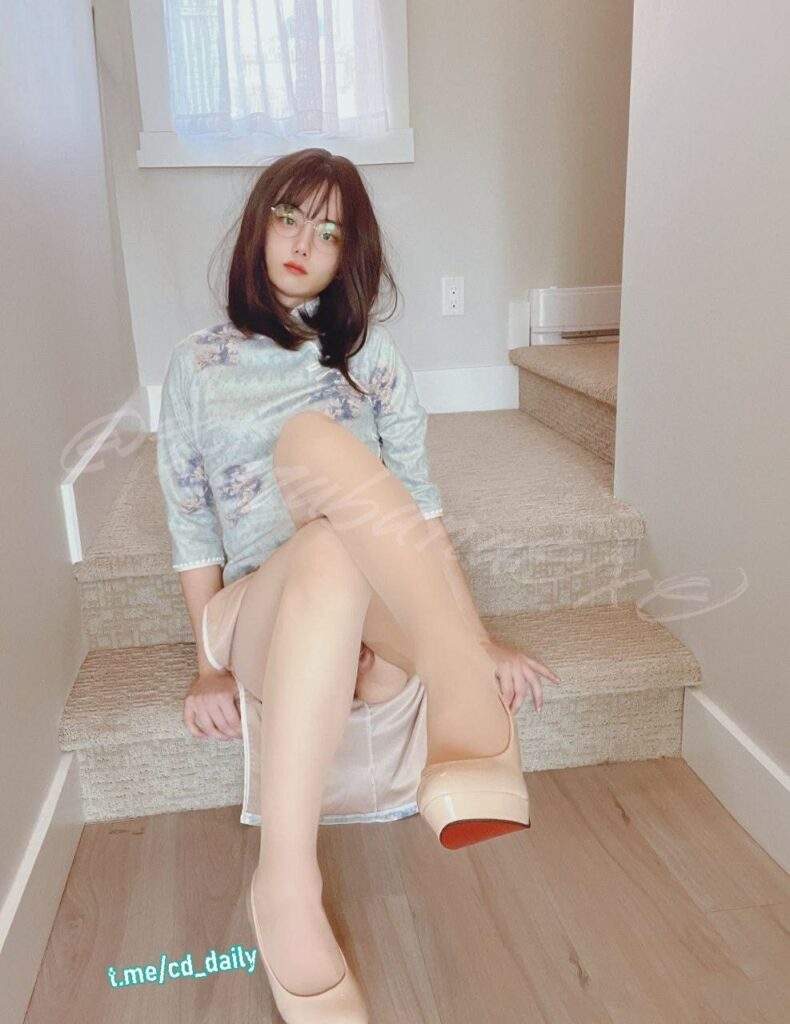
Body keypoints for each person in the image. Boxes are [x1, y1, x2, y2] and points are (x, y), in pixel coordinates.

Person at [157, 147, 560, 1021]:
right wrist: (206, 664)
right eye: (289, 218)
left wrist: (478, 633)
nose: (304, 243)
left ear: (349, 256)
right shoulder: (197, 365)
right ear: (260, 226)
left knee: (341, 530)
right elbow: (191, 526)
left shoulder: (371, 356)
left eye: (329, 232)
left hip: (372, 614)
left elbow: (417, 514)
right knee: (314, 474)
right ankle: (287, 886)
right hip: (259, 613)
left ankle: (450, 664)